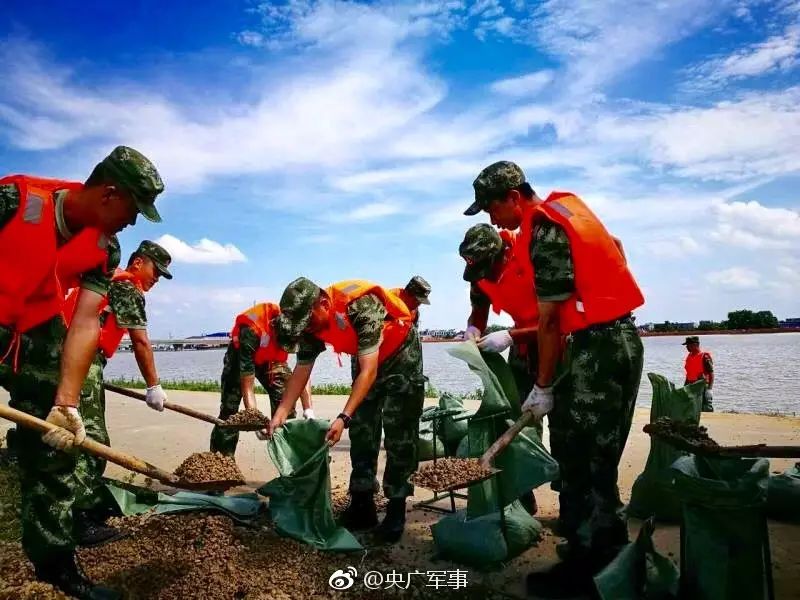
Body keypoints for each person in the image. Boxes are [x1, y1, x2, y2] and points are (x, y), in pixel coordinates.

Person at [464, 161, 644, 597]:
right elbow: (615, 246)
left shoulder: (543, 231)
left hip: (595, 350)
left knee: (584, 458)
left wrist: (543, 386)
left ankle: (593, 569)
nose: (492, 218)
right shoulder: (566, 212)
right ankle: (590, 549)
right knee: (591, 456)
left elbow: (549, 321)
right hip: (614, 339)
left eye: (491, 207)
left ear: (512, 196)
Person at [0, 146, 164, 599]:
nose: (132, 224)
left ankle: (54, 563)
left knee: (57, 450)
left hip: (32, 329)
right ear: (110, 194)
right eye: (133, 210)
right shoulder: (14, 201)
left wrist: (65, 404)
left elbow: (87, 321)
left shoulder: (105, 249)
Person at [268, 278, 425, 543]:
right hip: (366, 355)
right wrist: (281, 412)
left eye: (308, 321)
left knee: (400, 432)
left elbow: (369, 371)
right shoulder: (309, 322)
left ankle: (396, 508)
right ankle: (362, 505)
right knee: (363, 430)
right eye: (301, 324)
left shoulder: (361, 306)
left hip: (400, 356)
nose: (306, 328)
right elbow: (302, 370)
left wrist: (343, 416)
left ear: (324, 303)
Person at [63, 240, 173, 547]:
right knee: (93, 440)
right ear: (138, 263)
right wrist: (154, 386)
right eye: (155, 270)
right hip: (81, 362)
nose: (156, 279)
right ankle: (80, 520)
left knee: (84, 438)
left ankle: (84, 507)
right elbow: (140, 342)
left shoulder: (114, 284)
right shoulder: (127, 287)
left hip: (83, 360)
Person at [458, 223, 541, 514]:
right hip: (522, 350)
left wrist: (509, 335)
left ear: (500, 254)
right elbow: (479, 308)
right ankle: (523, 493)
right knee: (514, 421)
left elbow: (558, 319)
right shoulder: (480, 272)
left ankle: (573, 505)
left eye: (485, 269)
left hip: (558, 346)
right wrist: (473, 329)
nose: (482, 277)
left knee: (567, 430)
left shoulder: (532, 257)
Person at [210, 302, 314, 457]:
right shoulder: (251, 329)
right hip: (241, 357)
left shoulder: (300, 326)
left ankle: (288, 459)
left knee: (286, 398)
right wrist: (254, 419)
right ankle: (221, 460)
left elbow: (303, 370)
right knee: (229, 409)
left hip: (270, 359)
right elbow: (247, 385)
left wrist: (308, 409)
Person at [683, 336, 714, 412]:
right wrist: (685, 387)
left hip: (702, 386)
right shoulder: (689, 356)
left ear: (696, 344)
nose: (687, 347)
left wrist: (709, 389)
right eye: (686, 345)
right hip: (690, 385)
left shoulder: (704, 356)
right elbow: (689, 373)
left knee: (705, 408)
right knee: (691, 408)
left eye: (688, 345)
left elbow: (711, 373)